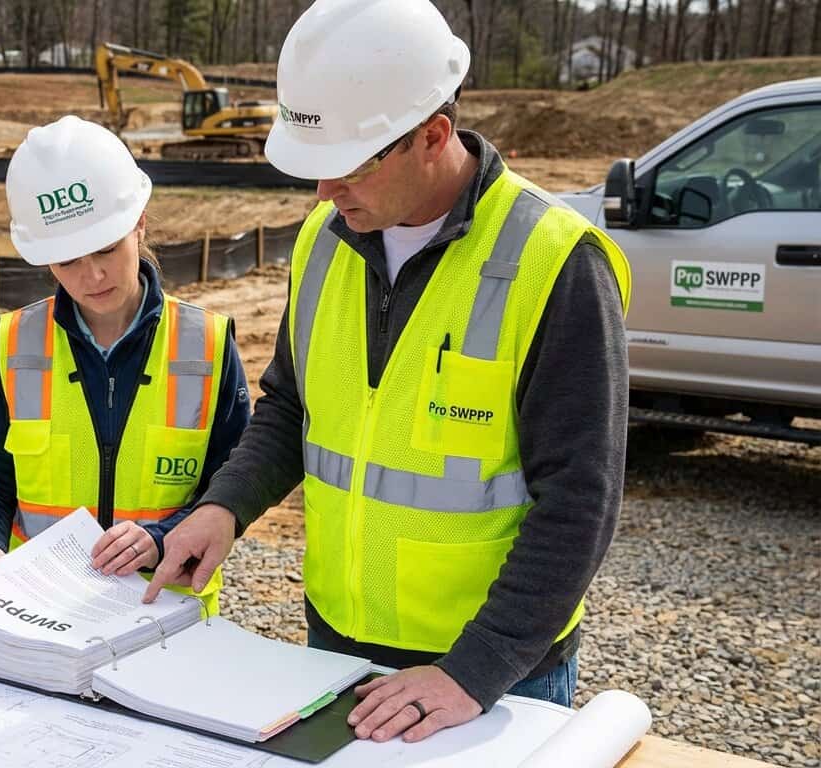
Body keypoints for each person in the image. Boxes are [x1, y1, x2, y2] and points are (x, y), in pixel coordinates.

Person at [144, 0, 633, 745]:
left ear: (432, 136)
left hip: (491, 676)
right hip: (337, 644)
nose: (323, 193)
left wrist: (475, 668)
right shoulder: (325, 237)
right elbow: (290, 405)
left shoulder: (555, 262)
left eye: (345, 168)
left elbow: (580, 499)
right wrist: (224, 506)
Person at [0, 115, 250, 615]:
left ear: (139, 222)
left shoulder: (206, 344)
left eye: (107, 249)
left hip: (168, 613)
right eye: (67, 261)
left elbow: (234, 483)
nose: (92, 275)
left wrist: (161, 538)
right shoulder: (15, 343)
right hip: (43, 612)